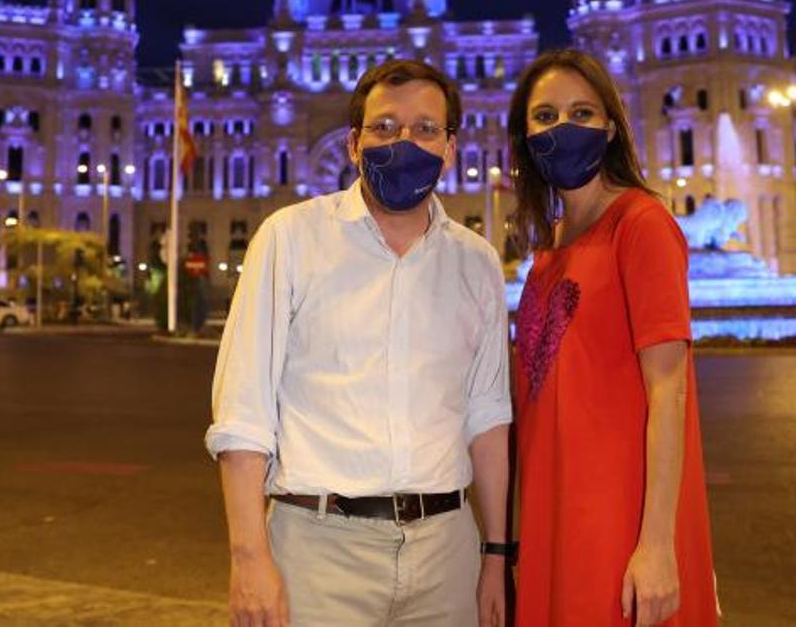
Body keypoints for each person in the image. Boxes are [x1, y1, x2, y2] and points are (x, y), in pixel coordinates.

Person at [207, 59, 513, 627]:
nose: (404, 140)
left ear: (451, 148)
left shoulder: (476, 262)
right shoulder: (290, 238)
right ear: (353, 144)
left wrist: (495, 553)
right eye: (385, 127)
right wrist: (249, 559)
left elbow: (488, 417)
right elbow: (243, 414)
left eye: (426, 129)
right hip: (319, 553)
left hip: (447, 553)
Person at [507, 49, 720, 626]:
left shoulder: (641, 225)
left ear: (610, 126)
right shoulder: (547, 254)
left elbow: (669, 391)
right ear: (524, 137)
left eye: (581, 112)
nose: (563, 128)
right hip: (555, 513)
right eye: (545, 116)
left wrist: (656, 545)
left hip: (620, 520)